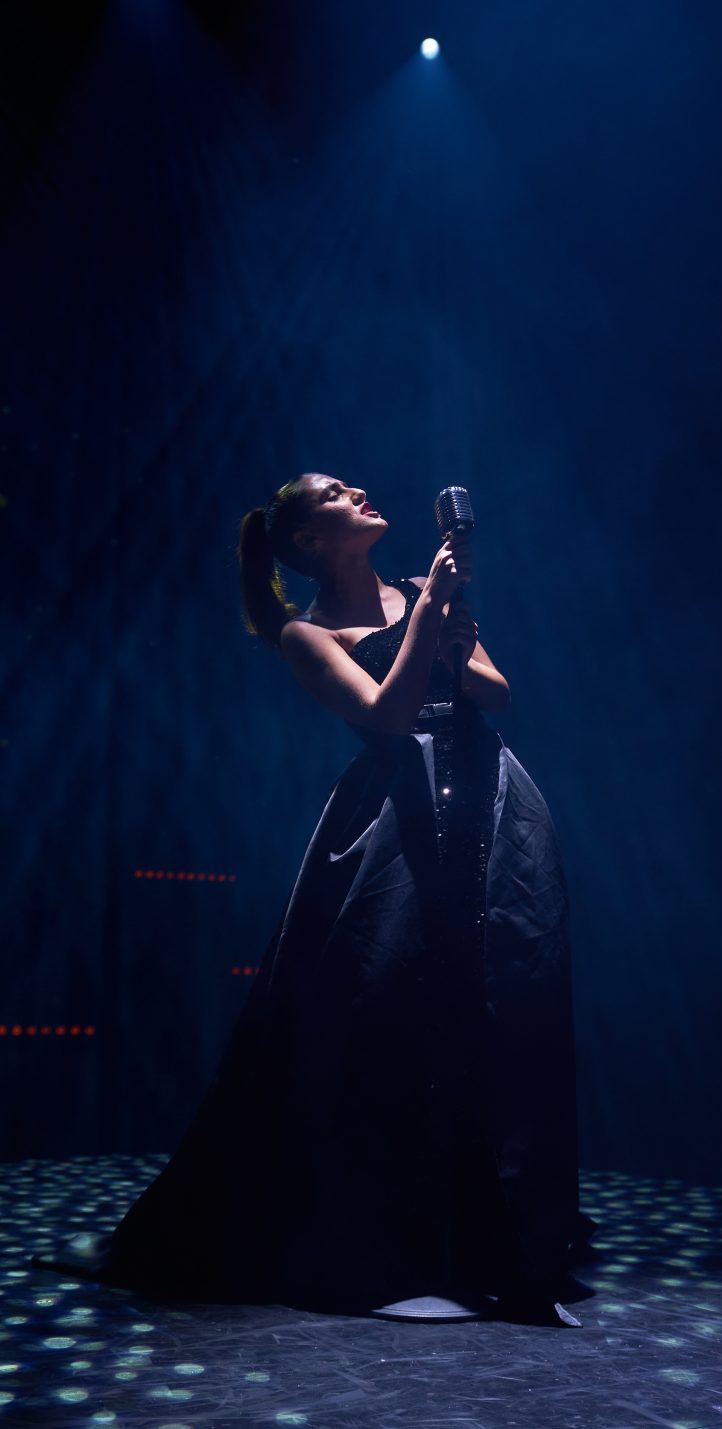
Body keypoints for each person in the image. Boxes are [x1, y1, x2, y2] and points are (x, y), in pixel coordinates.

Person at [35, 471, 596, 1324]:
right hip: (399, 815)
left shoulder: (415, 587)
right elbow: (387, 714)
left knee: (507, 1001)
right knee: (386, 1008)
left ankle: (504, 1234)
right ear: (308, 538)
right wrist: (431, 613)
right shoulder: (306, 634)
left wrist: (451, 633)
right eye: (336, 492)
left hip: (491, 801)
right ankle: (393, 1238)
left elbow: (497, 693)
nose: (360, 490)